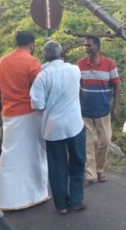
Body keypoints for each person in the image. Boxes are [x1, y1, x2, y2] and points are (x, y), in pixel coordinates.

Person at [0, 31, 50, 211]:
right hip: (30, 114)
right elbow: (39, 92)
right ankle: (35, 194)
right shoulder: (32, 62)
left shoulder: (1, 62)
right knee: (35, 154)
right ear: (31, 45)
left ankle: (7, 198)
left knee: (10, 154)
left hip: (9, 114)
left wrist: (7, 100)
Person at [30, 41, 87, 215]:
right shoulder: (75, 70)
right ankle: (76, 201)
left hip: (53, 128)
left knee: (57, 166)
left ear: (45, 55)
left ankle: (61, 205)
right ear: (61, 53)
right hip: (75, 125)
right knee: (78, 162)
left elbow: (37, 104)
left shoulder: (42, 76)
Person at [77, 35, 121, 186]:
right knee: (87, 144)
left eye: (89, 45)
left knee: (105, 141)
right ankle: (91, 175)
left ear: (97, 46)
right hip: (85, 112)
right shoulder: (80, 64)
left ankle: (99, 169)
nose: (86, 48)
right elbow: (76, 87)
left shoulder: (109, 64)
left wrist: (115, 107)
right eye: (85, 45)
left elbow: (116, 86)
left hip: (103, 111)